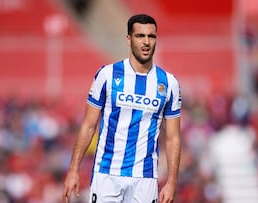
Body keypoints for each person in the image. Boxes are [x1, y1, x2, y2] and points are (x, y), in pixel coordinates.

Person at [62, 14, 181, 203]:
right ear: (129, 39)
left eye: (151, 36)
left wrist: (172, 182)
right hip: (107, 174)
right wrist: (73, 170)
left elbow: (173, 138)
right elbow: (88, 125)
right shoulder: (107, 75)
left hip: (145, 178)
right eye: (140, 36)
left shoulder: (169, 83)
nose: (146, 42)